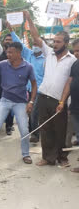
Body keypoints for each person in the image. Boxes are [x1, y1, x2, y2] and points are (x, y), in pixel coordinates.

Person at [25, 11, 77, 167]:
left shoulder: (73, 60)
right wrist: (29, 18)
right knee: (45, 129)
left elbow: (71, 82)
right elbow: (36, 37)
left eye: (58, 42)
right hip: (43, 97)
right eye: (54, 41)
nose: (55, 44)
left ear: (66, 43)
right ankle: (47, 158)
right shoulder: (49, 53)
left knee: (60, 130)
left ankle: (62, 157)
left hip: (59, 101)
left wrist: (64, 101)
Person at [6, 22, 45, 143]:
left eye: (37, 44)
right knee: (28, 112)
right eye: (33, 44)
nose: (34, 46)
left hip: (39, 90)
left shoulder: (46, 58)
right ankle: (33, 131)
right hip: (27, 89)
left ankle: (35, 135)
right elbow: (19, 43)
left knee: (33, 112)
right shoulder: (29, 54)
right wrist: (11, 30)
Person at [57, 39, 79, 173]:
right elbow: (69, 83)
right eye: (75, 51)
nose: (76, 53)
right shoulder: (75, 65)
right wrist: (62, 102)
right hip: (75, 108)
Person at [0, 34, 14, 137]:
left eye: (10, 40)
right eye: (6, 39)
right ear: (3, 41)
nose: (8, 41)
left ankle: (9, 126)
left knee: (9, 107)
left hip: (11, 85)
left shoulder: (16, 54)